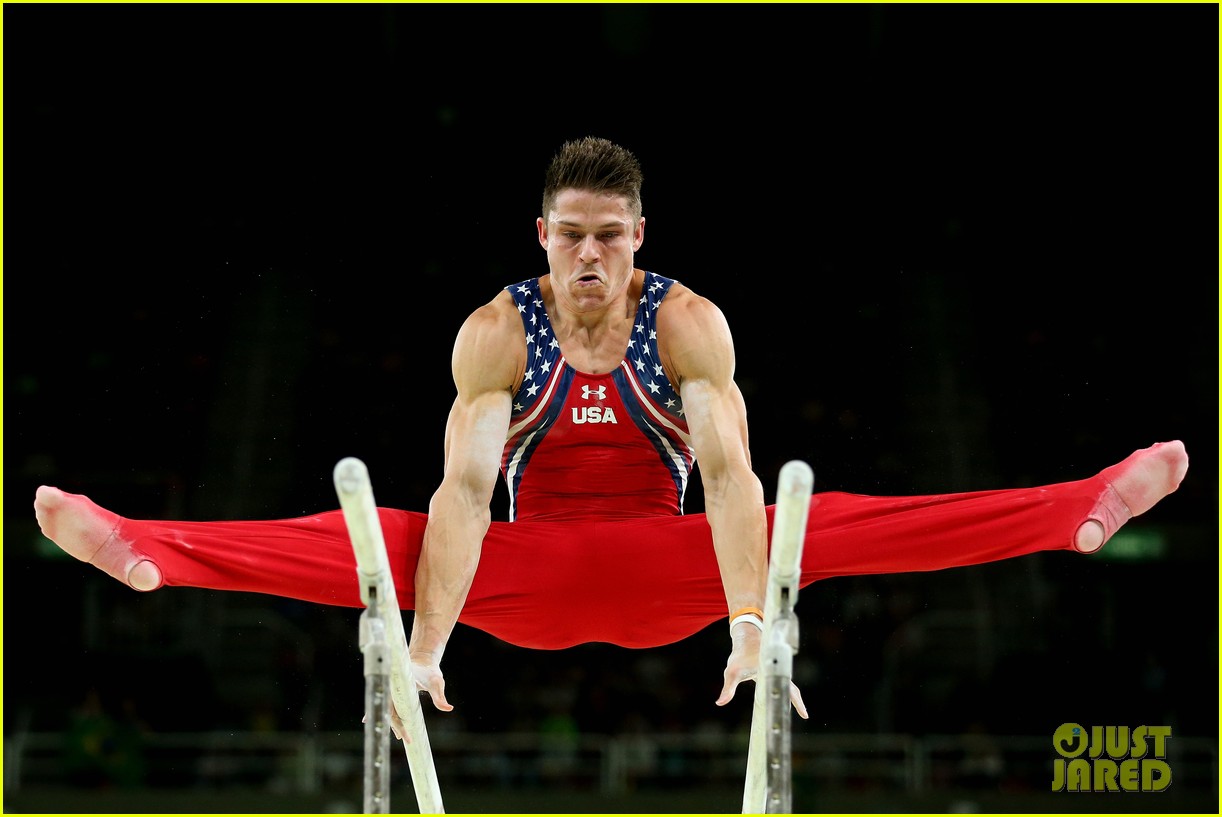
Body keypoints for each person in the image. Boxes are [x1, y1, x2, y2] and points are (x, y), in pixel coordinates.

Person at [34, 136, 1189, 737]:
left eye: (613, 237)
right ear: (543, 234)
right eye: (573, 235)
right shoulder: (496, 331)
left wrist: (749, 621)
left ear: (642, 236)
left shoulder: (688, 322)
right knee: (380, 533)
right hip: (513, 581)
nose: (591, 257)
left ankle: (1077, 500)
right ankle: (140, 541)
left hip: (671, 567)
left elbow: (730, 480)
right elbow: (465, 497)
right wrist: (425, 646)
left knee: (808, 523)